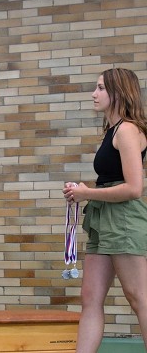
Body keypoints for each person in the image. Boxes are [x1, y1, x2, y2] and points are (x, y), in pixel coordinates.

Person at [63, 68, 147, 352]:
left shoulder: (127, 130)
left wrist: (87, 193)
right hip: (103, 217)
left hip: (123, 219)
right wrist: (82, 191)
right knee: (90, 298)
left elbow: (134, 188)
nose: (94, 94)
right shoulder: (113, 130)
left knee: (139, 298)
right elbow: (111, 180)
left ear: (118, 92)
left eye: (100, 88)